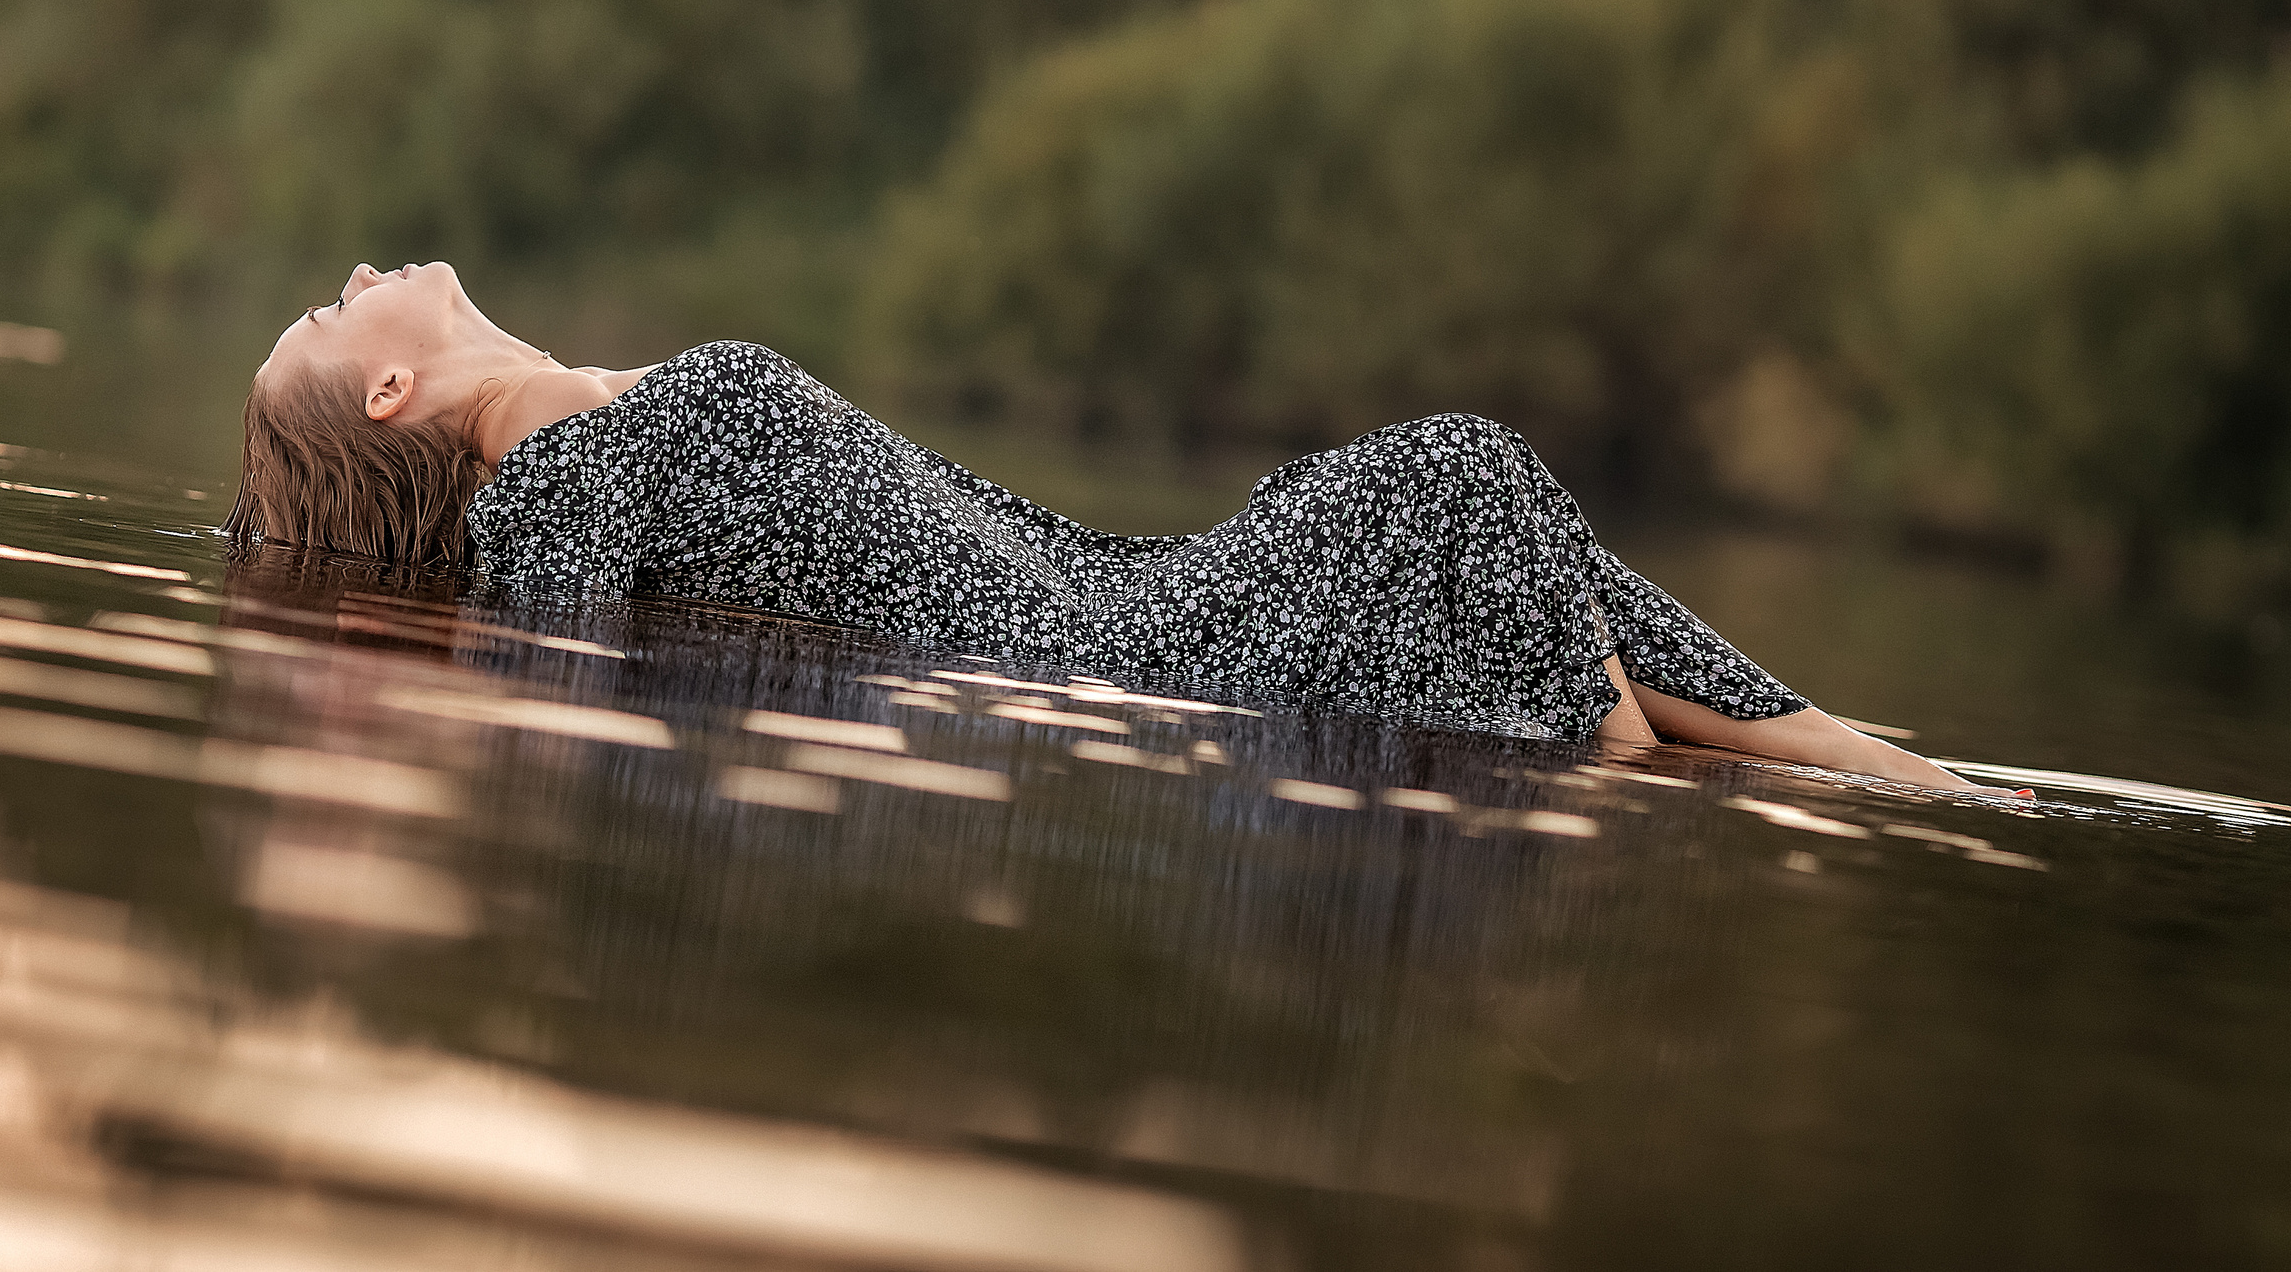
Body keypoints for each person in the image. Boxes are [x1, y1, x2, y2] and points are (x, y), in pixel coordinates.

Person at [228, 259, 2015, 793]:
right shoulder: (554, 476)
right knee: (1459, 477)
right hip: (1132, 651)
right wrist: (386, 704)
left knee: (1496, 531)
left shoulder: (581, 423)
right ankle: (1627, 786)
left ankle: (1873, 772)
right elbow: (558, 674)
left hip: (1140, 586)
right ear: (387, 393)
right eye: (328, 312)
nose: (356, 275)